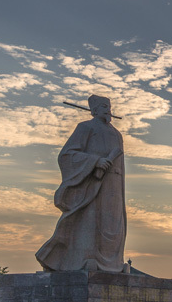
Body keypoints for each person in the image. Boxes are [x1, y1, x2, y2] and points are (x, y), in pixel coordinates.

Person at [36, 95, 128, 273]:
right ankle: (82, 260)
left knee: (113, 222)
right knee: (90, 220)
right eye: (102, 106)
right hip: (93, 183)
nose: (107, 109)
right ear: (93, 110)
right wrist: (95, 162)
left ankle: (113, 263)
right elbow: (67, 154)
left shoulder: (117, 134)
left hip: (114, 186)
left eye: (108, 106)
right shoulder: (86, 127)